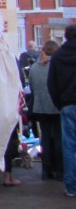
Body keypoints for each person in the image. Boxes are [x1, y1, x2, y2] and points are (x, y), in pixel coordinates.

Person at [47, 25, 76, 197]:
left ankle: (71, 186)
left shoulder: (58, 57)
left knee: (69, 146)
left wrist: (60, 103)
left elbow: (52, 84)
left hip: (67, 104)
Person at [28, 40, 63, 181]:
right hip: (56, 106)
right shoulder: (57, 66)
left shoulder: (35, 68)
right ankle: (59, 170)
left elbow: (31, 86)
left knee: (45, 139)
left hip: (40, 107)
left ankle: (46, 171)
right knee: (59, 139)